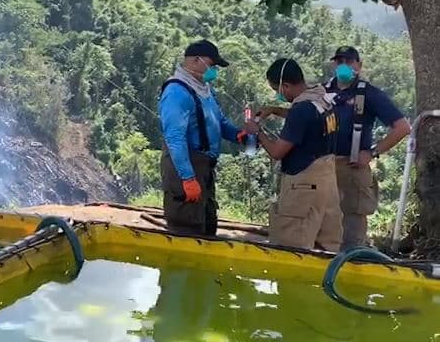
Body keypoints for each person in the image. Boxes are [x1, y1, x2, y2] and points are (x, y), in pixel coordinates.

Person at [244, 58, 342, 251]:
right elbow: (308, 119)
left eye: (277, 90)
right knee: (326, 244)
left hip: (304, 184)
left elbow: (277, 152)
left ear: (285, 86)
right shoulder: (322, 98)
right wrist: (275, 110)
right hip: (327, 180)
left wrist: (257, 131)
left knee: (292, 243)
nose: (278, 94)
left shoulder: (301, 111)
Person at [326, 46, 411, 248]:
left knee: (352, 226)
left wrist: (372, 152)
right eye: (339, 62)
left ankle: (351, 259)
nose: (343, 66)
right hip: (323, 166)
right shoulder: (323, 91)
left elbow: (402, 127)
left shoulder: (369, 94)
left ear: (359, 65)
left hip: (352, 168)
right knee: (321, 220)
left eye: (349, 61)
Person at [159, 39, 246, 236]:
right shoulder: (176, 92)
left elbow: (219, 121)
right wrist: (188, 178)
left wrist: (238, 135)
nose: (214, 70)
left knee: (207, 222)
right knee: (187, 226)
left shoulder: (205, 89)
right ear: (196, 61)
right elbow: (175, 138)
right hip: (186, 165)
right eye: (212, 64)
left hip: (205, 167)